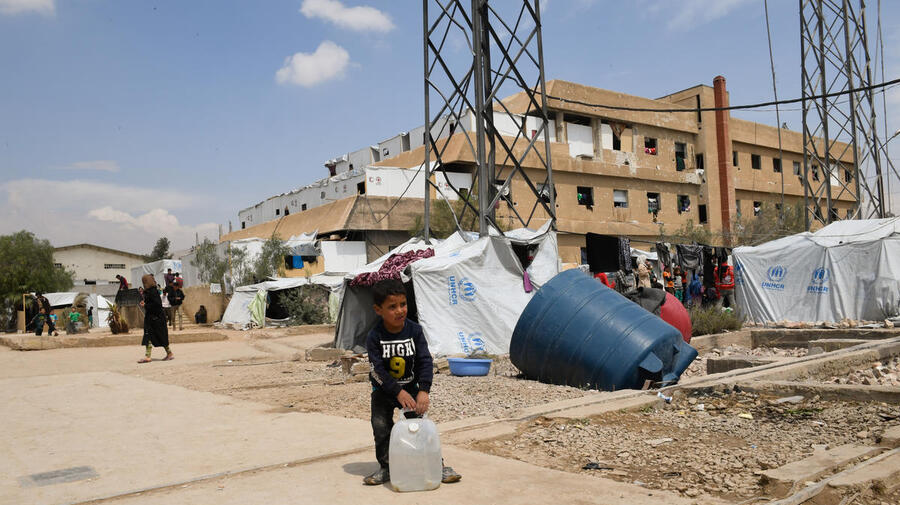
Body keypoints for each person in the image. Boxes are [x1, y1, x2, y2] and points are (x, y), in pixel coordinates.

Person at [363, 279, 461, 486]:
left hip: (411, 389)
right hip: (383, 392)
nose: (400, 310)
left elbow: (425, 361)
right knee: (381, 428)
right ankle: (387, 467)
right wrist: (397, 392)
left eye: (403, 304)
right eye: (392, 307)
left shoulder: (415, 331)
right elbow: (377, 370)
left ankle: (436, 465)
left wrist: (423, 390)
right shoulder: (374, 336)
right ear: (378, 310)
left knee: (420, 429)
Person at [138, 274, 173, 363]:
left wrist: (145, 305)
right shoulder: (150, 291)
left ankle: (149, 356)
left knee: (157, 336)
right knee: (150, 336)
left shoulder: (152, 291)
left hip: (155, 318)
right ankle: (168, 353)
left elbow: (157, 304)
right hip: (153, 318)